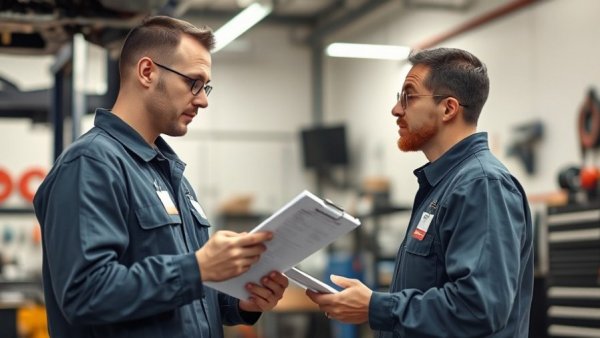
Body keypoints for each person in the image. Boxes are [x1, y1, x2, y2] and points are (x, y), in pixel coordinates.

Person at [33, 16, 288, 338]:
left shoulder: (168, 172)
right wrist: (196, 268)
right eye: (193, 82)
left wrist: (241, 301)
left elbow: (187, 296)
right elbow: (86, 293)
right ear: (147, 72)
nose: (203, 100)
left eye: (205, 87)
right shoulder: (91, 165)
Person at [307, 47, 533, 337]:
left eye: (409, 96)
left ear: (449, 108)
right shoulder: (441, 185)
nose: (396, 110)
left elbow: (480, 307)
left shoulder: (482, 185)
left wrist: (376, 307)